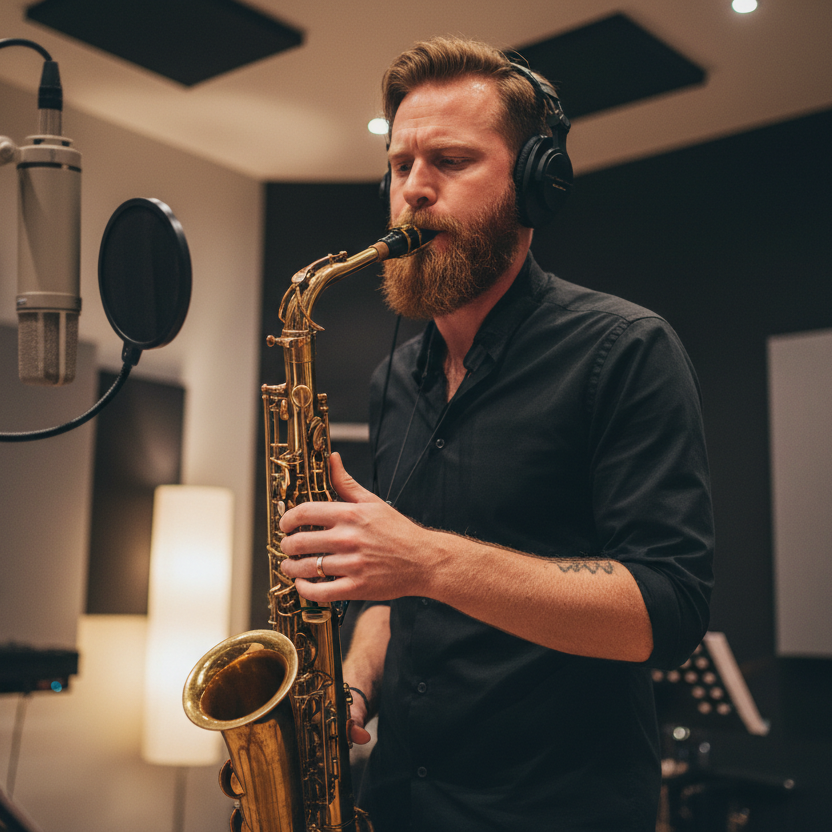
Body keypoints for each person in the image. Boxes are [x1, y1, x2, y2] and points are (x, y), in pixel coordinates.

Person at [279, 36, 714, 832]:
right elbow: (392, 594)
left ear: (537, 185)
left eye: (449, 160)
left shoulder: (624, 349)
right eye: (401, 165)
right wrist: (352, 685)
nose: (413, 189)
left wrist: (427, 559)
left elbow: (668, 609)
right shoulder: (392, 381)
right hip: (400, 801)